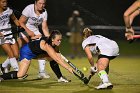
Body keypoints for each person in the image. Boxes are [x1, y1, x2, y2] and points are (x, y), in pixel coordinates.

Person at [0, 30, 73, 82]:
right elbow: (57, 59)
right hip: (27, 52)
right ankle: (2, 77)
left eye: (60, 40)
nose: (60, 42)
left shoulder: (55, 44)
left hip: (37, 54)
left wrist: (59, 55)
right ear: (52, 39)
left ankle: (60, 77)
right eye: (58, 40)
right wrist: (68, 68)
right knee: (20, 74)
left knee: (52, 59)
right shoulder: (47, 46)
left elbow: (57, 54)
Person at [17, 0, 50, 79]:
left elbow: (44, 27)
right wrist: (29, 32)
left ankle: (41, 72)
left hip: (35, 31)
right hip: (24, 29)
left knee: (42, 48)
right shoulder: (29, 9)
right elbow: (20, 22)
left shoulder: (44, 12)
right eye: (40, 3)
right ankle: (5, 66)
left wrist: (49, 38)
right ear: (35, 3)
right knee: (20, 53)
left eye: (43, 4)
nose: (42, 5)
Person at [0, 0, 19, 73]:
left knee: (16, 55)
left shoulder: (9, 10)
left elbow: (14, 19)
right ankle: (18, 70)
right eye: (3, 2)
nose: (5, 4)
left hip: (10, 34)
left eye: (6, 2)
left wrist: (20, 26)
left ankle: (2, 66)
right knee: (11, 54)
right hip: (2, 36)